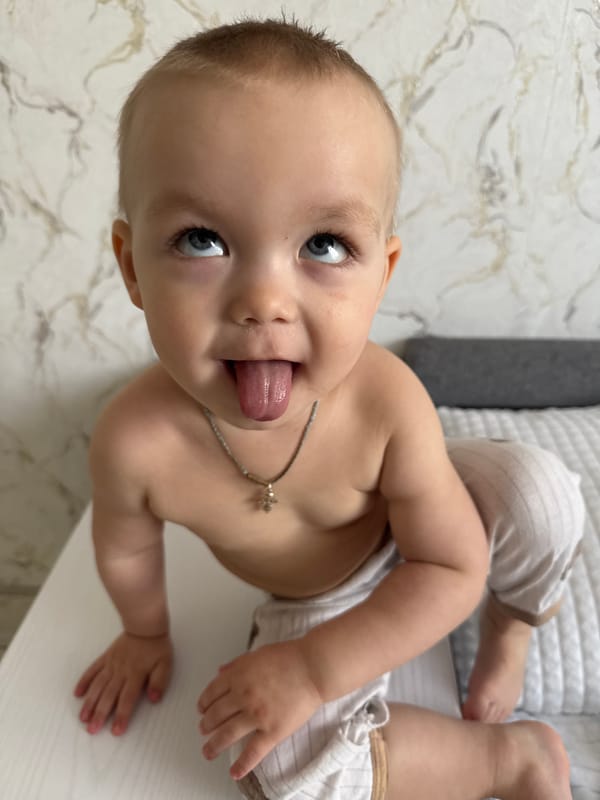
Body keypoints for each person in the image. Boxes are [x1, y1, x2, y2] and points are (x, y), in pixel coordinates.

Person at [73, 18, 585, 800]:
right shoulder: (135, 442)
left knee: (540, 494)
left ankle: (511, 630)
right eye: (202, 240)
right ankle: (510, 757)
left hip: (417, 524)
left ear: (381, 275)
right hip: (317, 594)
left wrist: (316, 671)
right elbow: (127, 551)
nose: (265, 301)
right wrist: (144, 633)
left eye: (323, 245)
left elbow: (452, 566)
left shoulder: (385, 401)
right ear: (131, 266)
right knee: (272, 765)